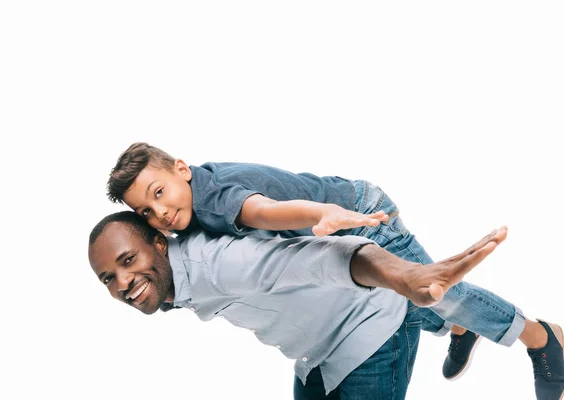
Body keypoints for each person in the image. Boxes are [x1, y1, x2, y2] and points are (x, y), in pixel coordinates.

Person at [105, 142, 563, 397]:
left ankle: (541, 338)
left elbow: (263, 212)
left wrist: (319, 214)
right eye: (144, 211)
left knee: (436, 288)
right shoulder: (186, 218)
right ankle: (460, 331)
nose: (159, 213)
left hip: (358, 218)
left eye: (159, 193)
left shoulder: (214, 197)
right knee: (416, 294)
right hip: (327, 228)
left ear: (181, 169)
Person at [88, 211, 511, 399]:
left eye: (128, 261)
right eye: (108, 278)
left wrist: (402, 276)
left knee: (412, 299)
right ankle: (454, 325)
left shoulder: (217, 266)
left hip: (369, 334)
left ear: (158, 243)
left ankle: (536, 338)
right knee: (434, 307)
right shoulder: (171, 280)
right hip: (317, 352)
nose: (123, 283)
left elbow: (326, 257)